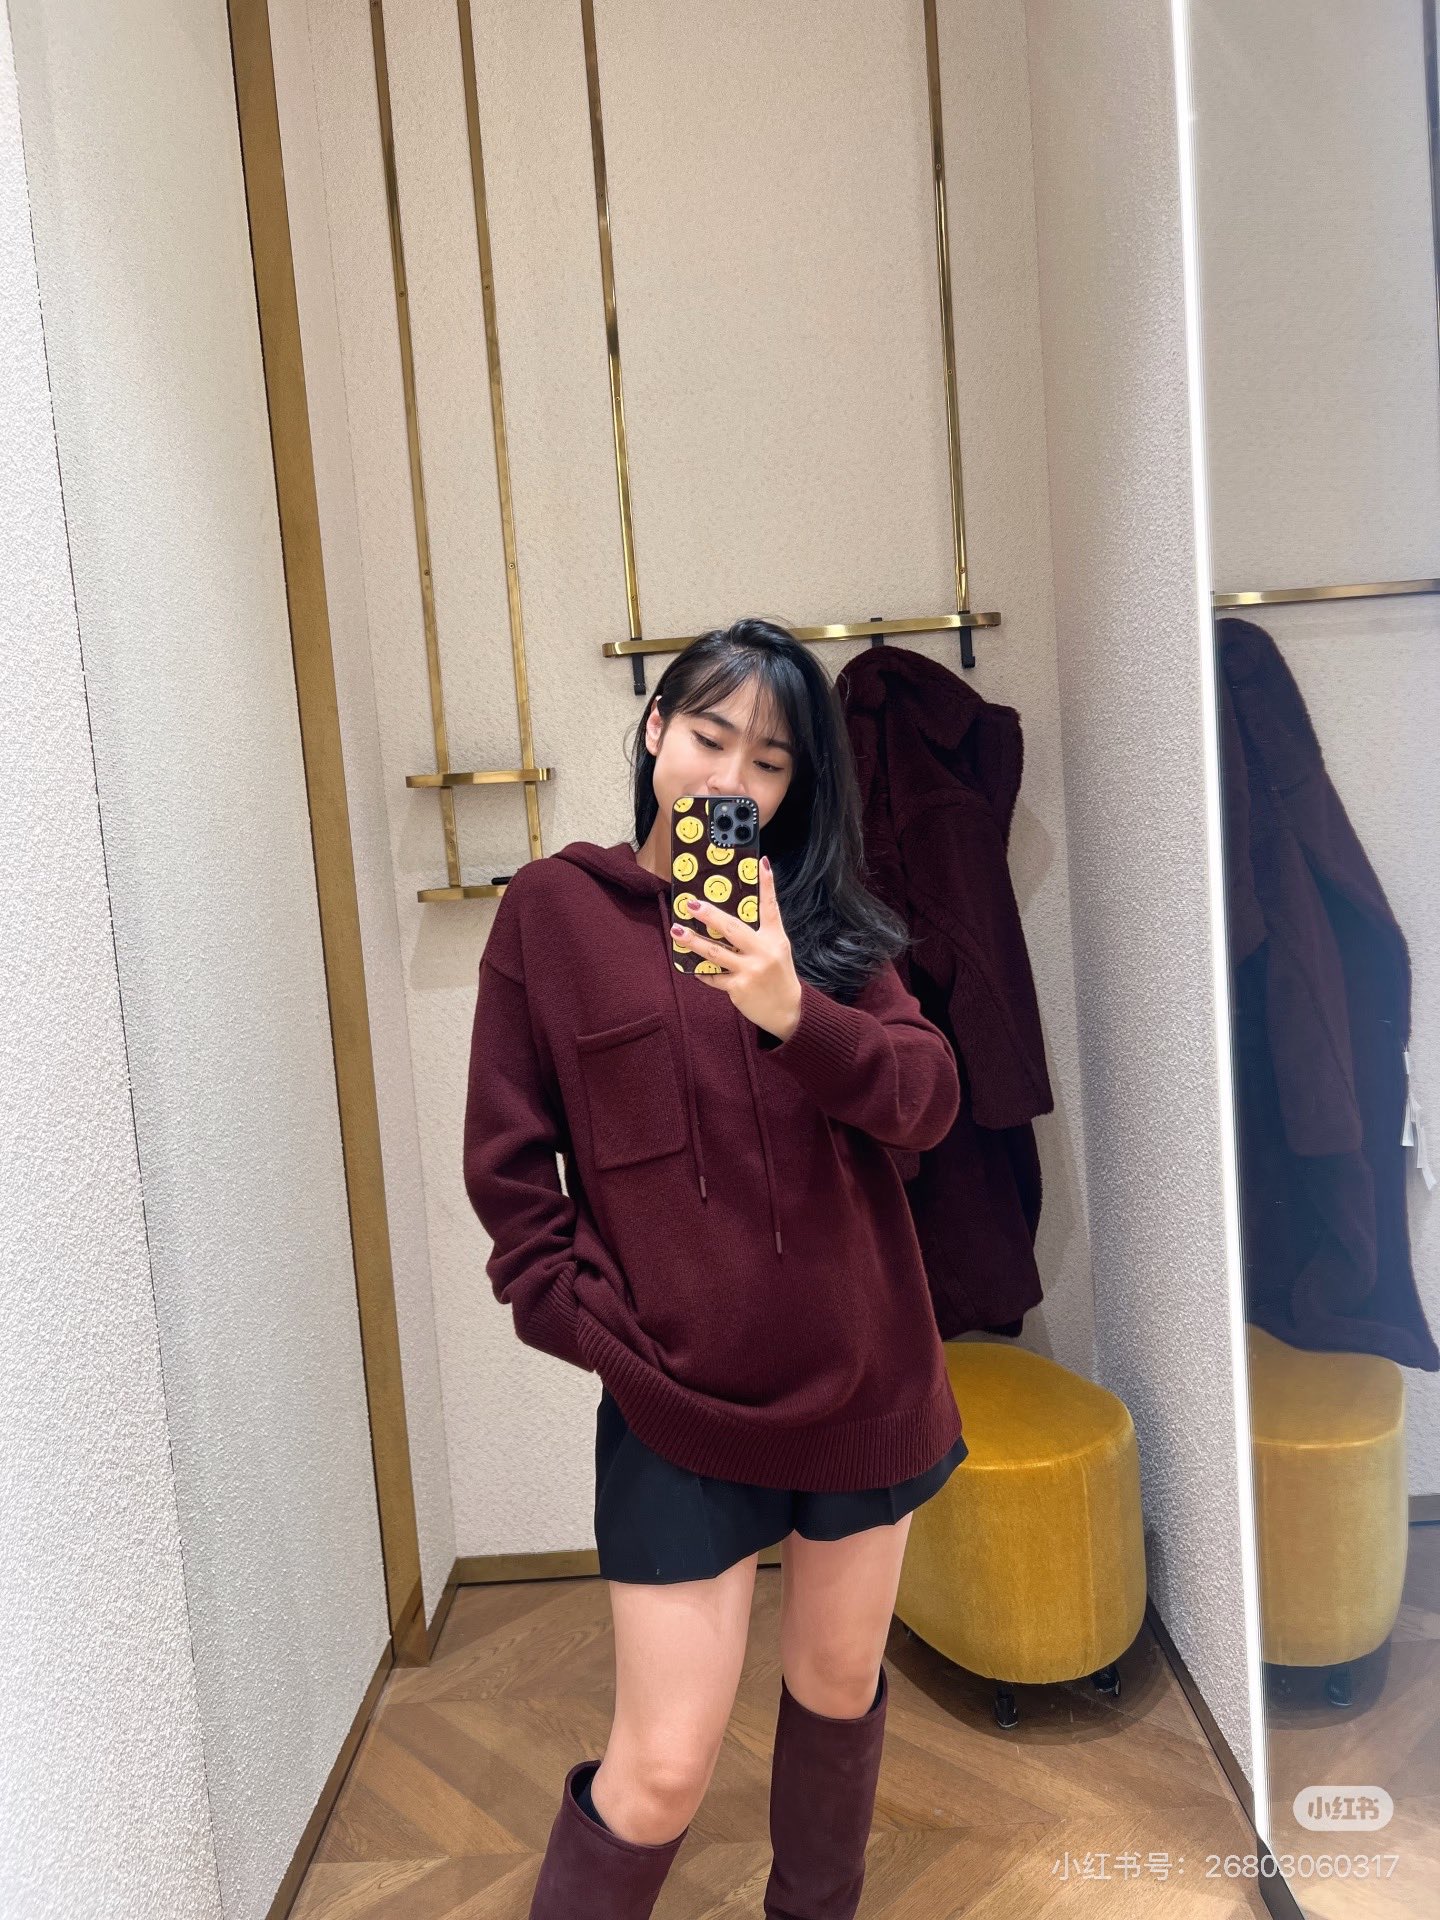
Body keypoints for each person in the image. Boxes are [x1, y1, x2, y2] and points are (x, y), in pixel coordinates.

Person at [462, 617, 969, 1918]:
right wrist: (592, 1328)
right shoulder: (552, 914)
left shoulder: (823, 927)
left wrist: (795, 1010)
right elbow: (510, 1173)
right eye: (708, 735)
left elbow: (926, 1103)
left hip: (865, 1377)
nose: (731, 777)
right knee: (662, 1767)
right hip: (676, 1402)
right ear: (653, 730)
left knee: (838, 1690)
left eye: (771, 762)